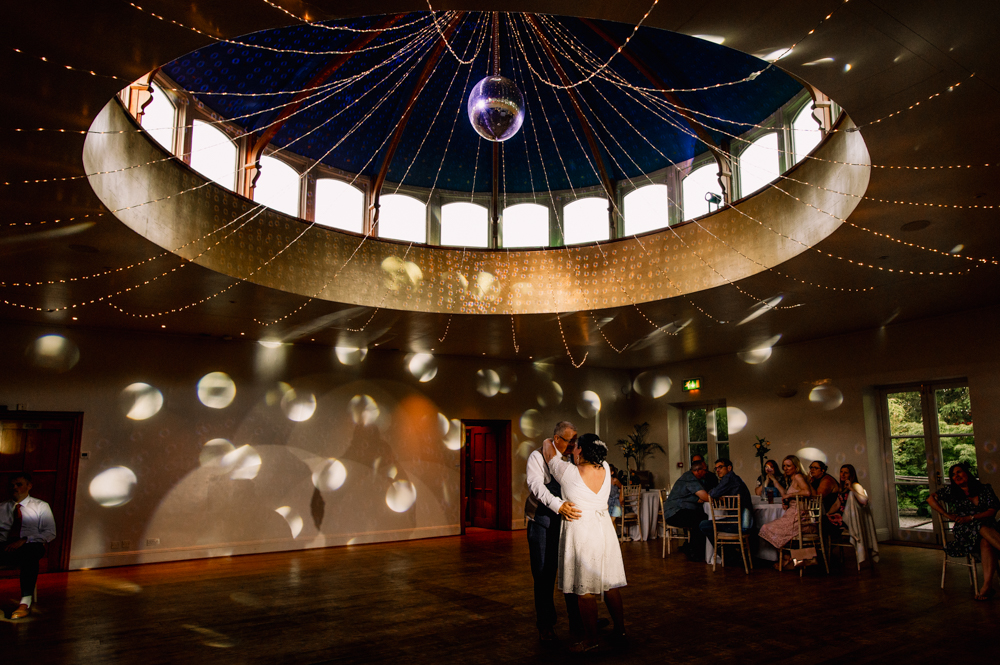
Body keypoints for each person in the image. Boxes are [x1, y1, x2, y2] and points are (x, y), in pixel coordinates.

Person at [542, 433, 626, 651]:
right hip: (604, 528)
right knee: (609, 584)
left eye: (575, 447)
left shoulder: (569, 473)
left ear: (579, 450)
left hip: (582, 530)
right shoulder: (606, 468)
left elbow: (548, 452)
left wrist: (549, 439)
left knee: (585, 589)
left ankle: (591, 640)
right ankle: (620, 630)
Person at [525, 421, 583, 641]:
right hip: (542, 521)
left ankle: (578, 621)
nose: (574, 444)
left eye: (576, 439)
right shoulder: (537, 457)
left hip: (567, 523)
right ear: (556, 439)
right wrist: (558, 505)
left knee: (572, 573)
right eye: (570, 440)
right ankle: (545, 624)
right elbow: (536, 487)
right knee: (543, 575)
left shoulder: (574, 457)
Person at [927, 464, 1000, 601]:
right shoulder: (952, 491)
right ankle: (987, 585)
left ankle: (987, 586)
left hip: (987, 527)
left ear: (967, 473)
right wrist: (947, 515)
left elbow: (992, 510)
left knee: (986, 542)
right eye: (953, 475)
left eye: (959, 472)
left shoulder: (985, 489)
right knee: (981, 527)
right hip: (965, 531)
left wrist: (972, 517)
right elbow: (930, 499)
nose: (957, 476)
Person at [0, 472, 56, 619]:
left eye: (19, 484)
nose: (15, 488)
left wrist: (25, 540)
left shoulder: (41, 506)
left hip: (30, 544)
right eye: (12, 485)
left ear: (29, 486)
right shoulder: (2, 507)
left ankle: (25, 602)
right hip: (6, 545)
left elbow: (50, 533)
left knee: (30, 555)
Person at [758, 455, 813, 570]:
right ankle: (788, 557)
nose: (785, 468)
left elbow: (807, 492)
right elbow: (784, 494)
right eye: (784, 466)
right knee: (769, 529)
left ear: (796, 466)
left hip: (799, 517)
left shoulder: (798, 476)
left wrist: (790, 495)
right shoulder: (792, 479)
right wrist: (773, 480)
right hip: (792, 514)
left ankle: (787, 557)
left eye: (788, 466)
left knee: (767, 528)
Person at [698, 458, 754, 553]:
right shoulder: (735, 478)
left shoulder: (729, 477)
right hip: (744, 522)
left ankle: (728, 556)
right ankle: (731, 553)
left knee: (704, 525)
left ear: (729, 468)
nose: (718, 470)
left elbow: (713, 493)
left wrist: (713, 494)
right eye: (716, 468)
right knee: (710, 524)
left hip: (739, 524)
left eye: (720, 467)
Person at [663, 461, 711, 561]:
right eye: (705, 470)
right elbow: (705, 497)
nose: (706, 472)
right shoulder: (690, 479)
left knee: (700, 517)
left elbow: (700, 497)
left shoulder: (690, 478)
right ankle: (695, 552)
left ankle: (693, 549)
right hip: (674, 513)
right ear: (698, 471)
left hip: (676, 511)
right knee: (701, 519)